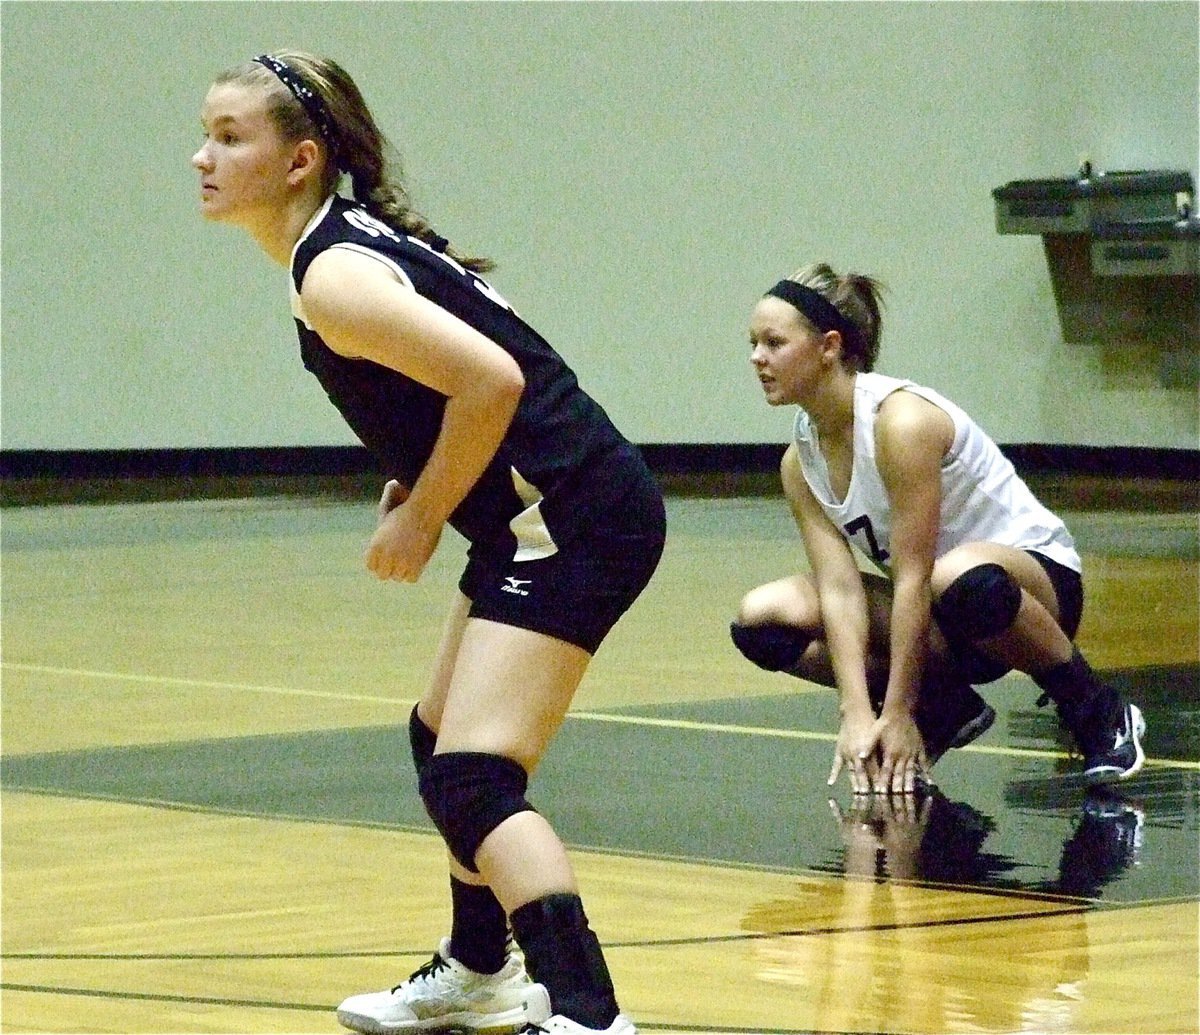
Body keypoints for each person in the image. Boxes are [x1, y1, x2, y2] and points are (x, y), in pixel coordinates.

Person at [193, 51, 665, 1035]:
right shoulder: (344, 242)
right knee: (437, 735)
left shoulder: (334, 277)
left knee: (472, 777)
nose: (202, 156)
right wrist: (424, 473)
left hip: (574, 521)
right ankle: (480, 968)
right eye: (207, 134)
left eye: (231, 137)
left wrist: (419, 519)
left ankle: (586, 1011)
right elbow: (473, 370)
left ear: (299, 161)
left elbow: (491, 381)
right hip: (549, 512)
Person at [730, 263, 1146, 796]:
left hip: (1032, 592)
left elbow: (913, 577)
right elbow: (840, 589)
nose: (756, 358)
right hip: (941, 609)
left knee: (954, 576)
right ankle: (945, 708)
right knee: (762, 619)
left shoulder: (900, 422)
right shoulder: (799, 461)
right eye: (752, 343)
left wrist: (897, 711)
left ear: (829, 346)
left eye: (773, 342)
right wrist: (855, 712)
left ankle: (1097, 710)